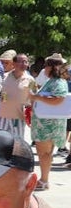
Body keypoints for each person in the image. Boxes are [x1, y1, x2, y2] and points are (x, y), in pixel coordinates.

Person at [28, 53, 68, 192]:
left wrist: (37, 98)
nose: (44, 68)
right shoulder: (52, 81)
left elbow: (59, 99)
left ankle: (44, 180)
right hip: (46, 123)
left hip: (48, 124)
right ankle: (44, 179)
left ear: (50, 67)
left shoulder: (58, 82)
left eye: (46, 66)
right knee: (46, 153)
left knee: (44, 153)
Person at [0, 52, 35, 143]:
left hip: (18, 118)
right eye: (21, 61)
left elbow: (34, 99)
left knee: (17, 143)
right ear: (13, 64)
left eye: (26, 62)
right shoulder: (4, 77)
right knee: (1, 142)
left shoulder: (30, 80)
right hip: (2, 117)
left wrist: (32, 115)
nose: (24, 64)